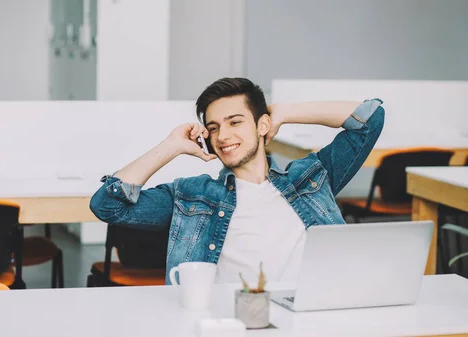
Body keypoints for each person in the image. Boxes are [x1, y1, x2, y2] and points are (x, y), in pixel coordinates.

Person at [89, 77, 385, 285]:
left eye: (235, 122)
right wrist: (172, 145)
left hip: (311, 319)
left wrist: (285, 112)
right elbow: (108, 205)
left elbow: (370, 119)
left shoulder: (311, 178)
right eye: (214, 128)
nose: (223, 136)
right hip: (229, 322)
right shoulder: (192, 195)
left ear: (262, 125)